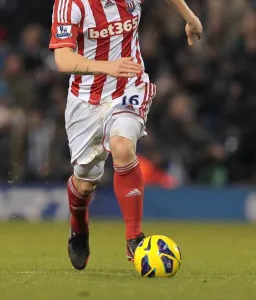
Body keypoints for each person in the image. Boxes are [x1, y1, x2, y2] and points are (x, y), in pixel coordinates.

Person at [49, 0, 202, 270]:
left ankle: (134, 239)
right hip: (85, 101)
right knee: (84, 182)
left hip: (129, 88)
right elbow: (62, 59)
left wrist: (190, 18)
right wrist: (107, 67)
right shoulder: (71, 4)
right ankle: (79, 227)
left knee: (122, 147)